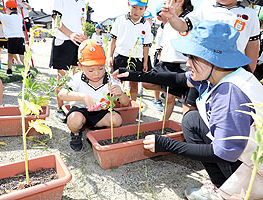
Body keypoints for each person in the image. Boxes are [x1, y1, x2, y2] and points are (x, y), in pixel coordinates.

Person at [113, 20, 263, 200]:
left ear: (213, 59)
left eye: (193, 57)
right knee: (192, 120)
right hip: (243, 151)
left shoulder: (229, 95)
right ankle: (221, 183)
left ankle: (228, 192)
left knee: (197, 126)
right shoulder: (221, 73)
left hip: (256, 165)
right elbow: (176, 79)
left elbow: (222, 153)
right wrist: (134, 75)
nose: (188, 63)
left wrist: (167, 145)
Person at [58, 39, 130, 151]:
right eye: (91, 70)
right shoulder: (77, 78)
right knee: (74, 120)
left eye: (101, 68)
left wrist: (120, 94)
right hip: (80, 111)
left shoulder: (110, 80)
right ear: (80, 66)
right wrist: (83, 97)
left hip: (102, 112)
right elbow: (62, 94)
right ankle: (76, 134)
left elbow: (125, 103)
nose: (96, 73)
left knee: (116, 120)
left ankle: (100, 133)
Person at [160, 0, 260, 73]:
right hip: (203, 67)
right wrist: (172, 17)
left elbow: (253, 45)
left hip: (233, 69)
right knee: (191, 102)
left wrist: (249, 72)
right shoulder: (206, 6)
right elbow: (183, 26)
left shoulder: (250, 14)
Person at [143, 0, 193, 119]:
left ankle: (163, 125)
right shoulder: (168, 22)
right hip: (165, 63)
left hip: (181, 64)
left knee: (170, 98)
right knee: (146, 83)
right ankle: (178, 91)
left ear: (180, 2)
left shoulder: (190, 18)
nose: (165, 4)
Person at [50, 0, 87, 122]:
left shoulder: (83, 2)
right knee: (62, 77)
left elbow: (82, 22)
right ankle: (60, 108)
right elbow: (56, 20)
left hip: (78, 42)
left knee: (78, 76)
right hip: (63, 40)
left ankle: (76, 107)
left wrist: (84, 36)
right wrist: (70, 34)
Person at [109, 0, 152, 101]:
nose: (137, 11)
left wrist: (145, 61)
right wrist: (110, 56)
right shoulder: (120, 20)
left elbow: (146, 46)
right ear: (129, 5)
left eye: (141, 8)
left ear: (145, 8)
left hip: (136, 58)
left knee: (134, 83)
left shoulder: (146, 25)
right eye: (134, 7)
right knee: (117, 81)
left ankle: (133, 104)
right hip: (120, 56)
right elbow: (113, 40)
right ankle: (115, 104)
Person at [0, 0, 25, 77]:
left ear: (8, 9)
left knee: (10, 55)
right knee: (22, 57)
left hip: (12, 38)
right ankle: (28, 70)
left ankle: (9, 70)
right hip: (20, 38)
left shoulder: (6, 17)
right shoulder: (19, 16)